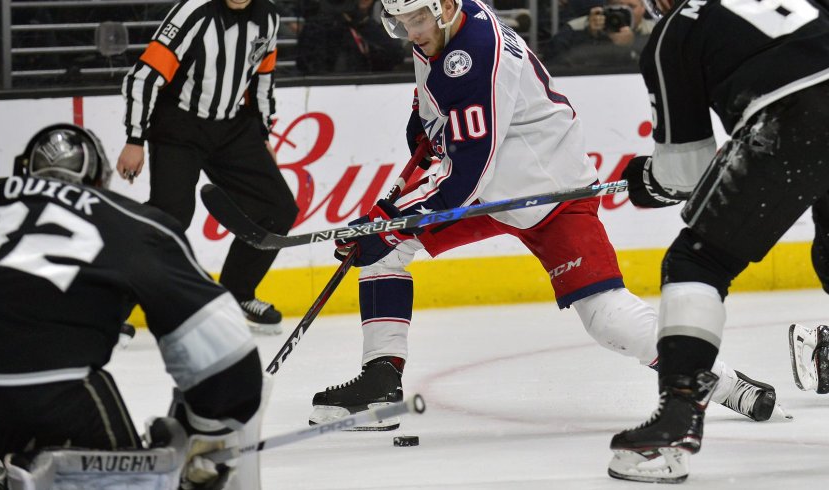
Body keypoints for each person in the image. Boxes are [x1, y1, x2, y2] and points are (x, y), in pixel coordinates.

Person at [306, 0, 779, 432]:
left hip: (546, 193)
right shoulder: (449, 22)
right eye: (401, 23)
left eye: (418, 21)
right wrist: (425, 126)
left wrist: (391, 221)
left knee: (607, 317)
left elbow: (467, 171)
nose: (412, 33)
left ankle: (724, 382)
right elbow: (443, 108)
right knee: (386, 252)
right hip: (499, 187)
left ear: (445, 7)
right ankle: (380, 382)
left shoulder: (470, 57)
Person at [0, 124, 267, 489]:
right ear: (100, 181)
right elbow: (223, 349)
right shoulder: (130, 219)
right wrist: (207, 433)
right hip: (49, 393)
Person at [607, 0, 829, 482]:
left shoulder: (673, 33)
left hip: (792, 116)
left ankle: (676, 422)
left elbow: (683, 172)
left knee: (696, 263)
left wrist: (646, 181)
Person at [118, 0, 299, 335]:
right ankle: (112, 308)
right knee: (169, 217)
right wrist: (134, 139)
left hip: (233, 128)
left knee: (278, 209)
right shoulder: (193, 11)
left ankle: (236, 294)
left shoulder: (269, 17)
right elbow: (143, 77)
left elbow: (262, 77)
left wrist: (263, 135)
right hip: (179, 126)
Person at [296, 0, 405, 74]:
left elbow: (397, 55)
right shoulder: (322, 24)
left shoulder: (378, 21)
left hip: (372, 88)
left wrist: (363, 23)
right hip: (331, 88)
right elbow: (306, 64)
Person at [542, 0, 654, 71]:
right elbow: (552, 64)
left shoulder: (655, 31)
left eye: (631, 6)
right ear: (606, 5)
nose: (623, 11)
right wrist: (588, 35)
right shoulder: (575, 27)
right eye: (617, 5)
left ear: (643, 8)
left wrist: (632, 45)